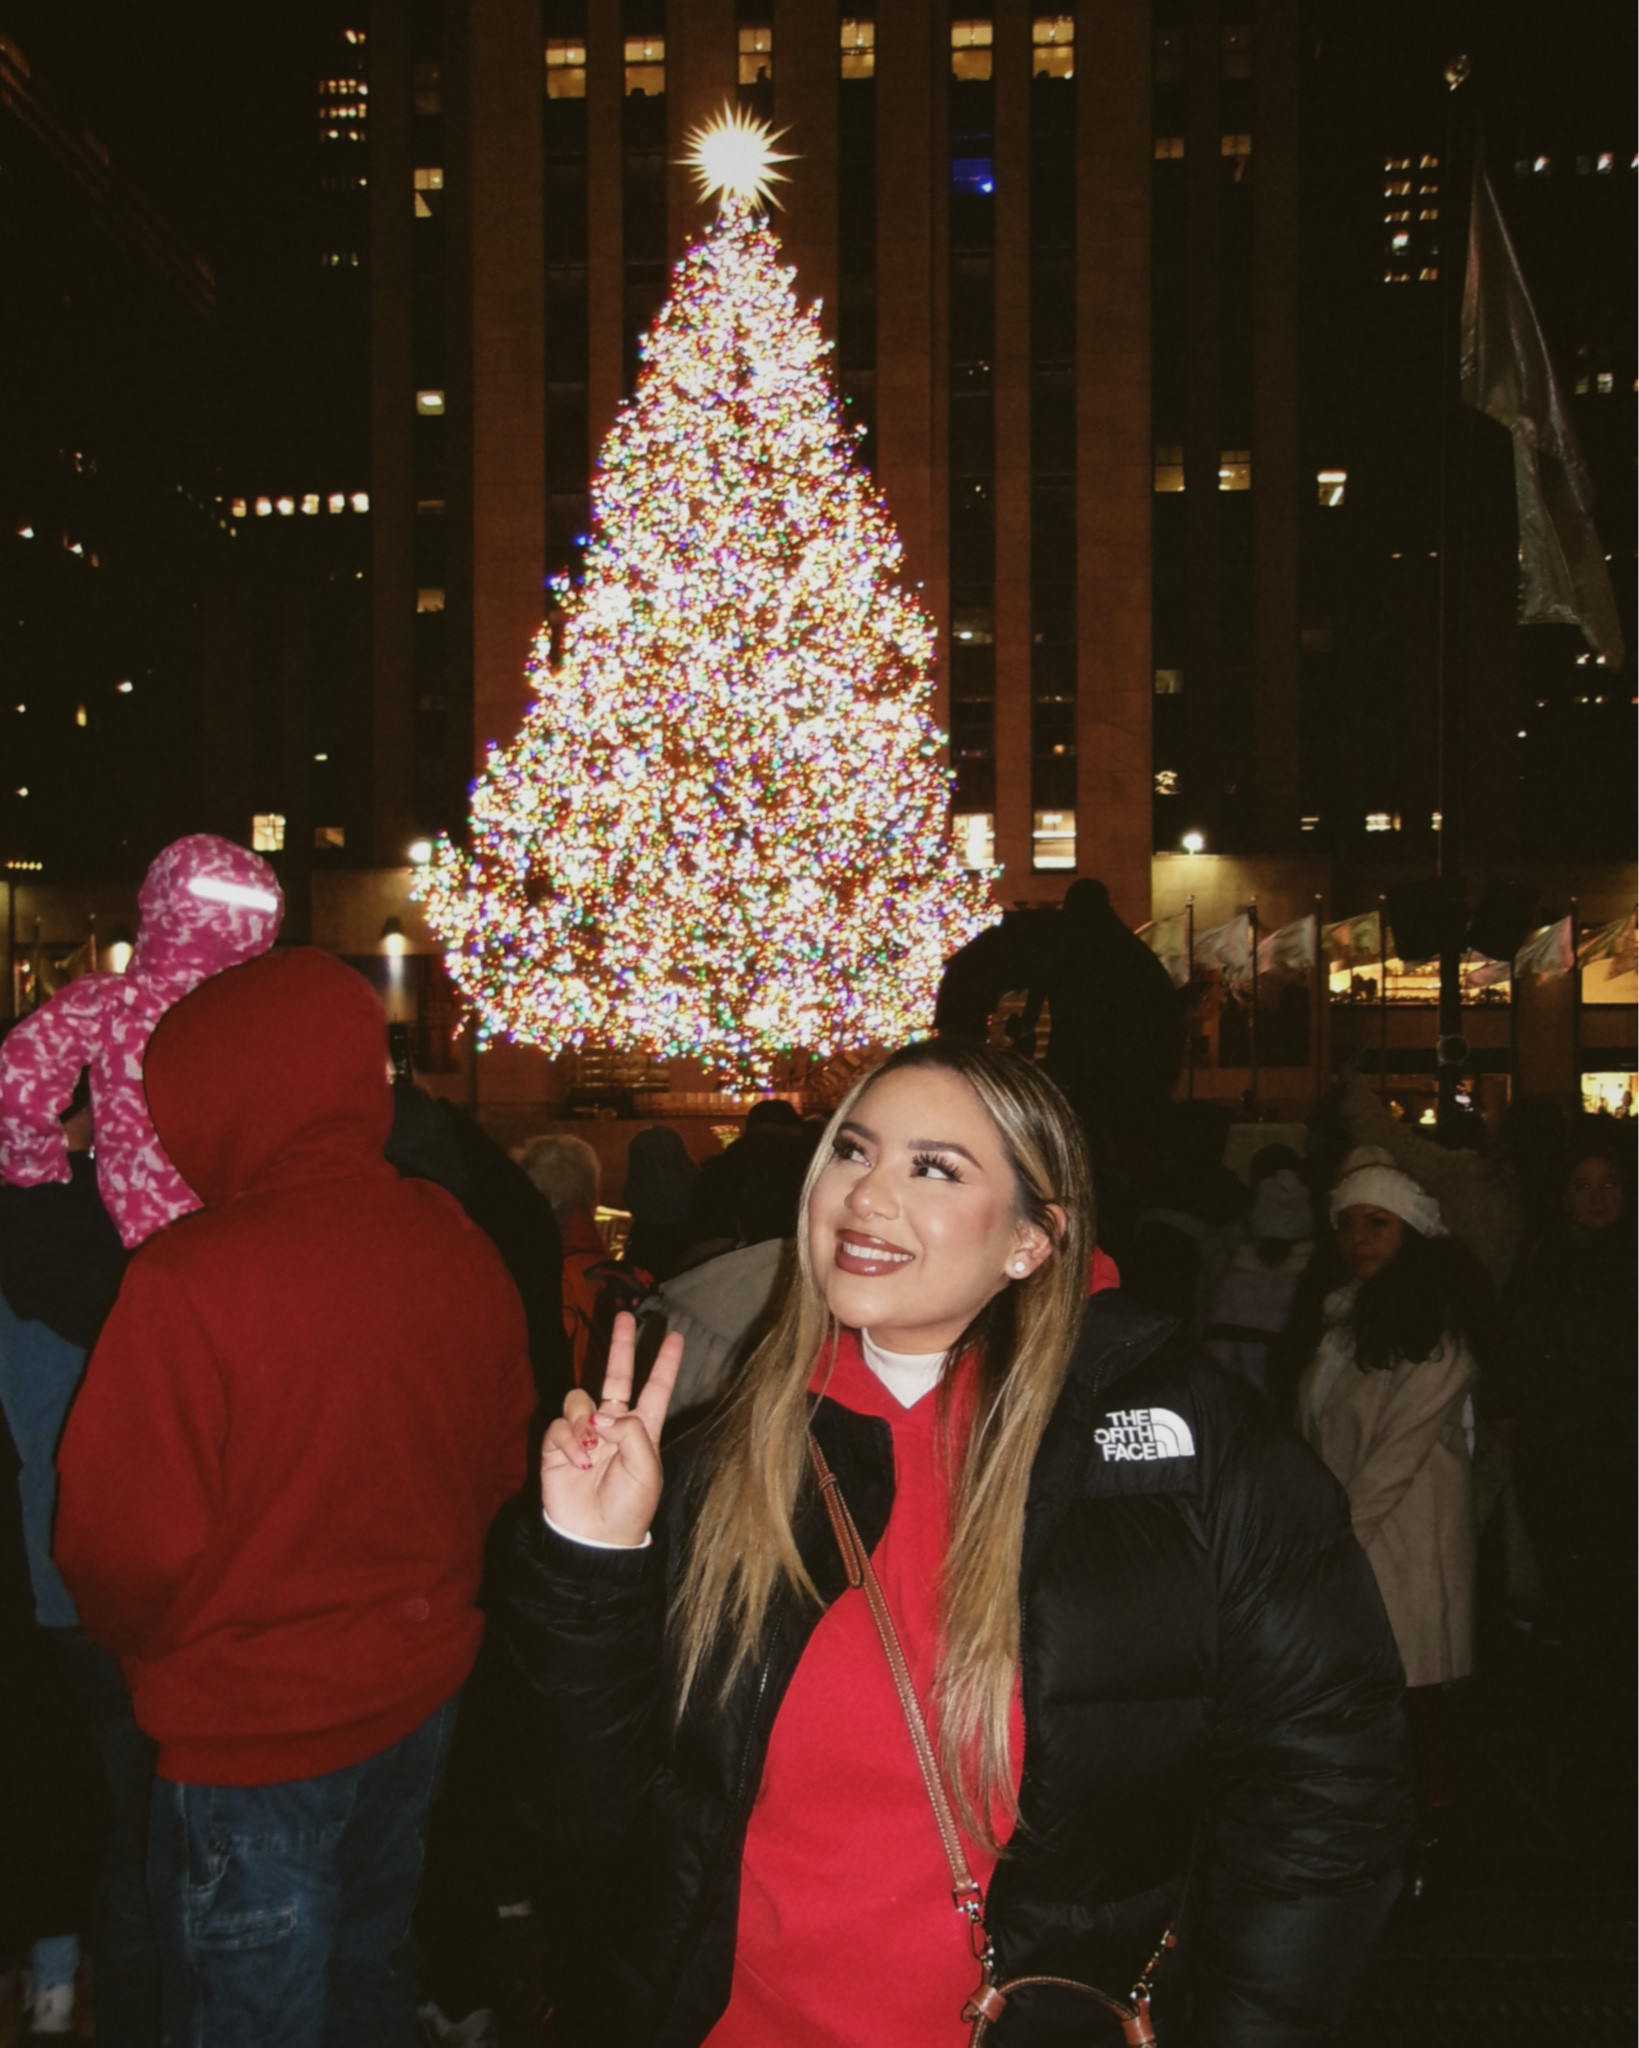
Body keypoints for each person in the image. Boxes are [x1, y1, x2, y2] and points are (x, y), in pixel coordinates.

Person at [495, 1040, 1410, 2047]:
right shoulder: (720, 1458)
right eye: (852, 1151)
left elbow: (1327, 1787)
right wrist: (591, 1559)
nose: (865, 1195)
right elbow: (583, 1833)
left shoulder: (1190, 1445)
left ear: (1031, 1238)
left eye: (933, 1166)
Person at [54, 949, 536, 2048]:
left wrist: (159, 1650)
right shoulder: (448, 1236)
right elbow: (497, 1464)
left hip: (251, 1733)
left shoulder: (190, 1277)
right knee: (369, 1966)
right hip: (415, 1696)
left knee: (246, 2009)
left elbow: (120, 1546)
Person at [1294, 1145, 1491, 1904]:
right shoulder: (1341, 1322)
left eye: (1377, 1223)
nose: (1359, 1238)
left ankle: (1431, 1842)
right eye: (1348, 1224)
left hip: (1404, 1542)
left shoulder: (1433, 1334)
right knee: (1373, 1699)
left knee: (1415, 1700)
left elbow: (1396, 1457)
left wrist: (1329, 1535)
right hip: (1352, 1539)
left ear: (1409, 1232)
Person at [1496, 1134, 1636, 1841]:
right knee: (1580, 1622)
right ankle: (1588, 1778)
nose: (1595, 1198)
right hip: (1562, 1473)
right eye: (1582, 1185)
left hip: (1619, 1473)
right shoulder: (1544, 1264)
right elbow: (1518, 1361)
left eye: (1607, 1184)